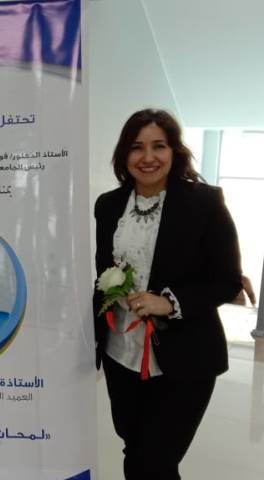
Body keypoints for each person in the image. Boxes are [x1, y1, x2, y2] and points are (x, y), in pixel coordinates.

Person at [93, 108, 242, 480]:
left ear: (175, 151)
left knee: (157, 460)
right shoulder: (108, 205)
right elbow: (102, 270)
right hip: (120, 353)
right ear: (124, 154)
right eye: (136, 147)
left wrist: (168, 302)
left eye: (158, 146)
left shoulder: (205, 203)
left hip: (185, 356)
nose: (148, 157)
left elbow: (227, 281)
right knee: (134, 449)